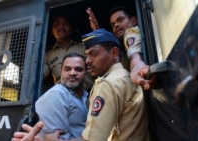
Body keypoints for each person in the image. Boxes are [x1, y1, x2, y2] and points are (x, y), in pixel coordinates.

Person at [11, 29, 149, 141]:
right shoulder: (126, 76)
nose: (88, 60)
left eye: (94, 54)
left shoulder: (107, 85)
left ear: (113, 53)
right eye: (87, 55)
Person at [86, 6, 155, 90]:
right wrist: (98, 33)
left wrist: (137, 67)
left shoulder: (132, 33)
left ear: (133, 21)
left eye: (120, 20)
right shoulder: (119, 48)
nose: (116, 25)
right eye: (113, 24)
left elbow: (134, 54)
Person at [44, 15, 94, 91]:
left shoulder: (84, 46)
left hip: (86, 94)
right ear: (52, 31)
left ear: (71, 29)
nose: (61, 26)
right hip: (62, 97)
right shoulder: (49, 54)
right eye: (56, 24)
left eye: (65, 23)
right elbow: (40, 75)